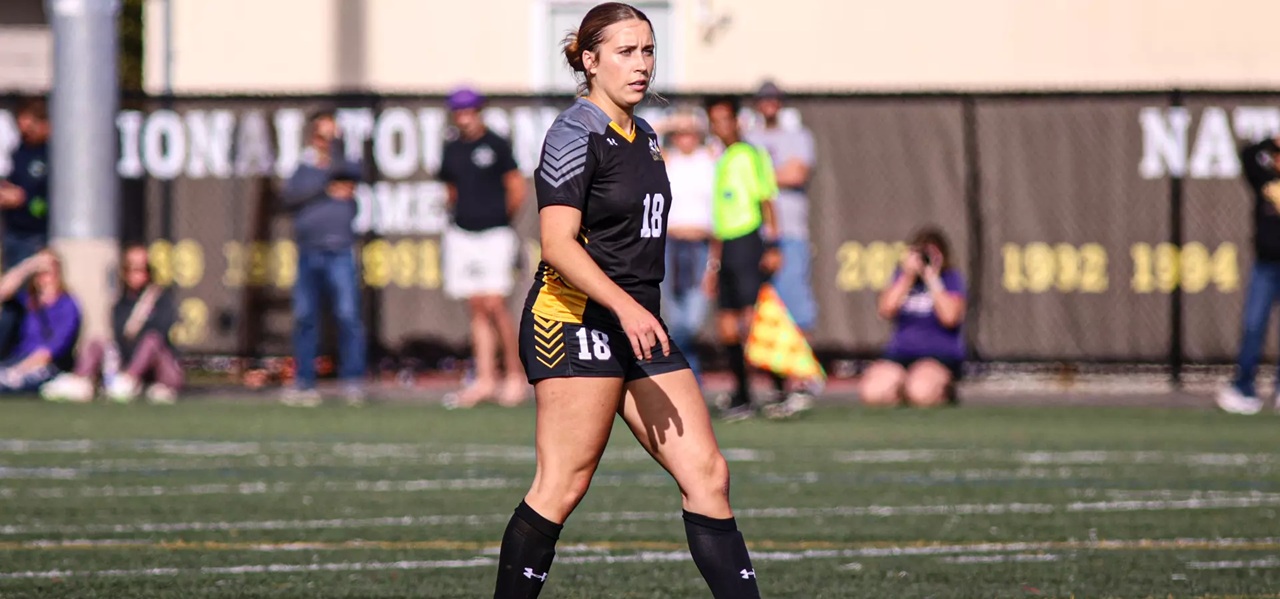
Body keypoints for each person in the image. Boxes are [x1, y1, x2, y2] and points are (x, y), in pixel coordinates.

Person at [492, 4, 760, 598]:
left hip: (636, 324)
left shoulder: (648, 135)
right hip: (573, 320)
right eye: (625, 51)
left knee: (709, 474)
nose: (641, 65)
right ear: (589, 60)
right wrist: (628, 306)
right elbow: (557, 243)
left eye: (648, 50)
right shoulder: (574, 131)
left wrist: (636, 310)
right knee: (562, 484)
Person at [438, 86, 529, 408]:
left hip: (494, 234)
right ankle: (485, 378)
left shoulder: (496, 144)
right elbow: (450, 188)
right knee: (476, 306)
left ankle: (515, 376)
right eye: (459, 112)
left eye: (469, 111)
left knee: (495, 304)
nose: (464, 118)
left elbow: (516, 188)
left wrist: (497, 216)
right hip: (462, 234)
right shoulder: (451, 148)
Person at [279, 109, 367, 407]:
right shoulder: (304, 167)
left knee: (347, 315)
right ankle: (304, 380)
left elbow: (355, 175)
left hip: (340, 249)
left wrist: (336, 161)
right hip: (309, 250)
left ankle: (353, 380)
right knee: (305, 317)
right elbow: (290, 196)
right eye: (322, 135)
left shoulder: (346, 162)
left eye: (333, 136)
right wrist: (325, 186)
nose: (327, 142)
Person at [703, 94, 782, 421]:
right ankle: (743, 394)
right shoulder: (721, 159)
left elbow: (766, 200)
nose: (720, 126)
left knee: (753, 321)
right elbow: (720, 218)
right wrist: (713, 263)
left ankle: (779, 388)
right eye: (714, 121)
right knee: (726, 326)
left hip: (749, 241)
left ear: (737, 121)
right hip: (728, 248)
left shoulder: (751, 154)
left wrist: (773, 245)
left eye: (725, 119)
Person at [746, 80, 818, 415]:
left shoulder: (797, 136)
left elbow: (796, 173)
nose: (769, 104)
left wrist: (760, 176)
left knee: (794, 307)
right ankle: (775, 384)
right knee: (764, 311)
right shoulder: (749, 137)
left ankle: (801, 380)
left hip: (790, 232)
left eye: (773, 99)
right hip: (754, 233)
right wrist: (772, 175)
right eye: (764, 99)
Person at [40, 244, 182, 404]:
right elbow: (121, 338)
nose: (135, 274)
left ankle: (129, 381)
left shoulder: (161, 299)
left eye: (140, 269)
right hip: (127, 362)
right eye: (130, 268)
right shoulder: (120, 304)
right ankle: (79, 381)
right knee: (97, 342)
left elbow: (160, 334)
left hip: (160, 369)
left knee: (151, 340)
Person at [859, 227, 967, 408]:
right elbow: (886, 310)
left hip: (938, 356)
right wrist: (907, 275)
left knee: (920, 392)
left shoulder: (950, 279)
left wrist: (932, 278)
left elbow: (950, 317)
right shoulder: (902, 279)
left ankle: (942, 390)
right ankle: (902, 390)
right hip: (901, 354)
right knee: (873, 393)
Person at [1217, 134, 1280, 414]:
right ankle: (1244, 387)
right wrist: (1271, 141)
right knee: (1254, 324)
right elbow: (1248, 154)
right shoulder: (1265, 176)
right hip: (1266, 264)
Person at [657, 106, 716, 385]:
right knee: (674, 313)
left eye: (691, 133)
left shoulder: (711, 159)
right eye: (680, 134)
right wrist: (670, 123)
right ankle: (688, 375)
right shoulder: (668, 159)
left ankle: (678, 370)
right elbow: (646, 139)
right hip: (670, 244)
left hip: (701, 244)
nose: (686, 138)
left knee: (693, 318)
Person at [0, 98, 52, 355]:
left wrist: (20, 199)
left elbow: (33, 199)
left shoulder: (48, 155)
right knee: (11, 300)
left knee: (25, 296)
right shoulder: (19, 151)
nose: (24, 127)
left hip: (34, 239)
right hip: (13, 235)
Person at [0, 250, 79, 394]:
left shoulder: (67, 305)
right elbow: (3, 291)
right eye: (39, 274)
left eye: (47, 272)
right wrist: (29, 266)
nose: (43, 278)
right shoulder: (28, 300)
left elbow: (50, 352)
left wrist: (17, 372)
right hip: (17, 359)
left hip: (47, 367)